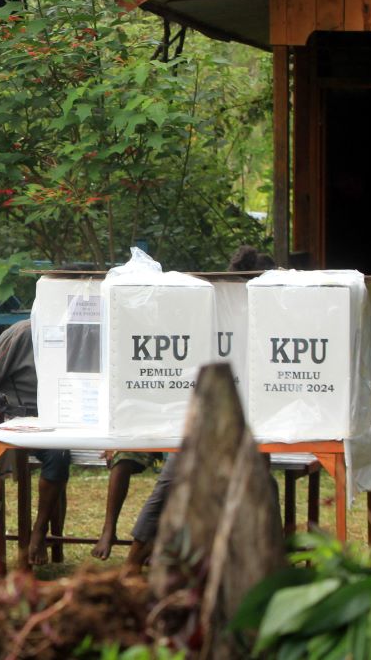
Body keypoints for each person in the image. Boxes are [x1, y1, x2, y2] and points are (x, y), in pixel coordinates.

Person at [122, 244, 278, 571]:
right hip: (211, 416)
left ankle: (255, 561)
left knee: (182, 482)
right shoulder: (214, 307)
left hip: (237, 420)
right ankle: (136, 560)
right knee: (176, 480)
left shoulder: (247, 312)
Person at [0, 320, 72, 566]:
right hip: (9, 418)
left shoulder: (79, 333)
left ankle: (39, 532)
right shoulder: (22, 332)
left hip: (53, 420)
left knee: (59, 455)